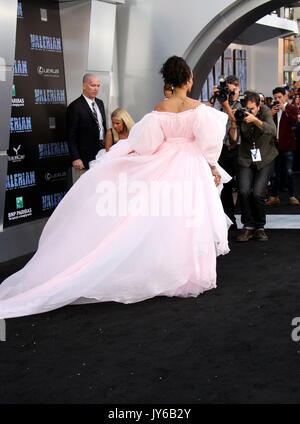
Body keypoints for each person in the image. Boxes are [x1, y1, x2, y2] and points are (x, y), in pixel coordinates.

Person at [0, 56, 231, 320]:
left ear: (168, 80)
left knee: (168, 219)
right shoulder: (199, 108)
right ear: (188, 79)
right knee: (190, 218)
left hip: (168, 167)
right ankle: (192, 274)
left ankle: (173, 274)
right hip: (191, 167)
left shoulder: (160, 108)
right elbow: (209, 145)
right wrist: (212, 167)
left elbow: (146, 144)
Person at [232, 91, 277, 242]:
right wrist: (234, 121)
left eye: (252, 109)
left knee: (258, 193)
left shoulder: (265, 112)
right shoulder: (241, 114)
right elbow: (233, 139)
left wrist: (255, 120)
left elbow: (273, 131)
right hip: (246, 158)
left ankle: (260, 227)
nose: (249, 111)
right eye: (247, 108)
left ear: (259, 106)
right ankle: (248, 226)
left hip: (265, 158)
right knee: (244, 191)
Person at [211, 75, 242, 230]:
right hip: (222, 149)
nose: (230, 95)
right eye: (227, 91)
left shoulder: (243, 103)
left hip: (239, 149)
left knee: (243, 186)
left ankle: (249, 223)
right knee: (226, 186)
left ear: (239, 89)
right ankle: (229, 220)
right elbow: (212, 122)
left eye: (233, 91)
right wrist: (216, 99)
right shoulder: (219, 102)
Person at [66, 73, 107, 182]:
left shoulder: (100, 103)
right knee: (85, 191)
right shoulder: (75, 106)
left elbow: (103, 127)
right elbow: (71, 135)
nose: (96, 89)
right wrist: (76, 157)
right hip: (84, 159)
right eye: (93, 85)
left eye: (98, 86)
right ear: (84, 86)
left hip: (102, 156)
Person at [266, 86, 299, 206]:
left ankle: (292, 196)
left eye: (279, 97)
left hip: (288, 145)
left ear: (285, 96)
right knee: (274, 173)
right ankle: (274, 196)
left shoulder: (292, 108)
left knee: (289, 172)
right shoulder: (271, 109)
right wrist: (270, 114)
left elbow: (294, 122)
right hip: (274, 145)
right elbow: (265, 124)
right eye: (275, 97)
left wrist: (284, 110)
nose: (277, 100)